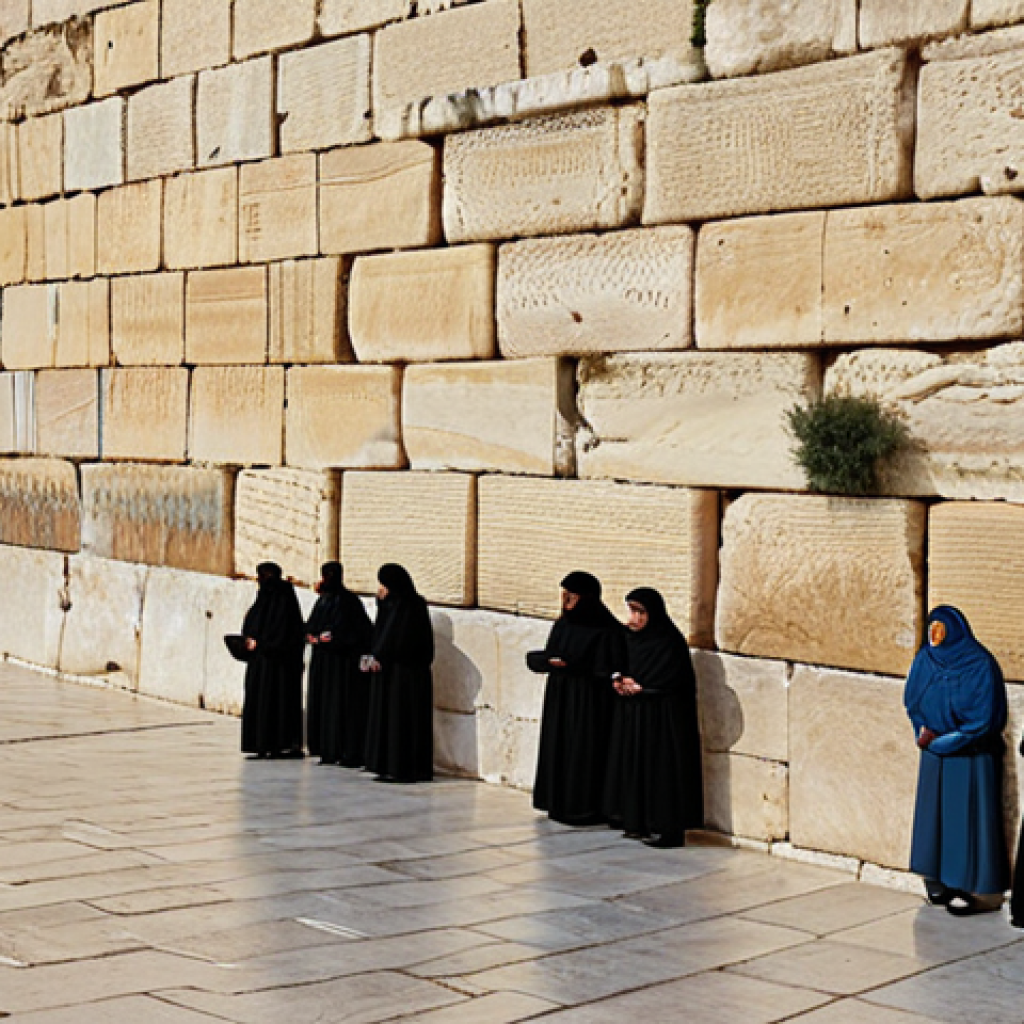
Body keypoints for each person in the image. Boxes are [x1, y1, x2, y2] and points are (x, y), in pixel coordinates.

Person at [904, 605, 1010, 916]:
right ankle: (935, 880)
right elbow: (912, 701)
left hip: (969, 756)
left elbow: (984, 717)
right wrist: (922, 732)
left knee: (963, 820)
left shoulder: (979, 664)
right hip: (934, 752)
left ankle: (966, 886)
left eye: (940, 628)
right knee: (932, 818)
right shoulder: (926, 659)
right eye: (931, 627)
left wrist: (951, 741)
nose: (934, 635)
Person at [603, 588, 703, 848]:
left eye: (640, 612)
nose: (634, 618)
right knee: (637, 768)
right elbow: (616, 663)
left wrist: (645, 688)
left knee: (661, 772)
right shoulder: (631, 638)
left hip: (663, 719)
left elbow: (675, 680)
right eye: (631, 611)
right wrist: (618, 680)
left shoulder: (668, 641)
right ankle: (637, 822)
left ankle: (666, 829)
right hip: (636, 715)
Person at [528, 571, 626, 826]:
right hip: (562, 695)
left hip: (589, 701)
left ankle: (583, 808)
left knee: (584, 750)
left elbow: (608, 667)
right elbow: (551, 652)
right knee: (559, 746)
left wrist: (575, 665)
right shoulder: (564, 623)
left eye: (571, 597)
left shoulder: (607, 630)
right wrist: (548, 661)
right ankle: (557, 801)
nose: (566, 603)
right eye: (564, 596)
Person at [364, 564, 434, 783]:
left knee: (403, 721)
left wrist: (383, 656)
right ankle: (386, 765)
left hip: (407, 675)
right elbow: (382, 632)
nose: (381, 589)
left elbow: (404, 640)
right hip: (391, 673)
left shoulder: (412, 606)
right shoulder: (393, 605)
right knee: (388, 719)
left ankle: (404, 768)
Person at [304, 562, 374, 766]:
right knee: (325, 705)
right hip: (324, 663)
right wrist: (313, 637)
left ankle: (346, 751)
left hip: (343, 665)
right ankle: (327, 748)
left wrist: (335, 638)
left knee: (342, 706)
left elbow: (359, 632)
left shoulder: (348, 601)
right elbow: (311, 625)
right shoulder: (324, 601)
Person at [240, 562, 306, 759]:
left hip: (276, 665)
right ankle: (268, 744)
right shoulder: (273, 598)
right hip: (269, 664)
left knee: (273, 703)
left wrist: (259, 643)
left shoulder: (277, 598)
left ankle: (272, 744)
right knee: (268, 703)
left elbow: (281, 632)